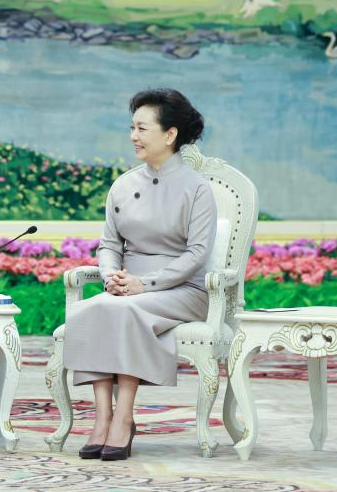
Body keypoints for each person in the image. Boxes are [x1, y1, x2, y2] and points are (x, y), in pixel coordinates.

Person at [63, 88, 217, 461]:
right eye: (132, 127)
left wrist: (144, 283)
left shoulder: (198, 190)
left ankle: (124, 417)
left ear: (170, 134)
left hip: (182, 289)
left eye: (142, 128)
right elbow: (109, 244)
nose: (133, 136)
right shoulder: (124, 184)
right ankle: (102, 419)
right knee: (90, 309)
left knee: (124, 309)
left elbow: (197, 254)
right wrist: (110, 275)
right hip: (127, 285)